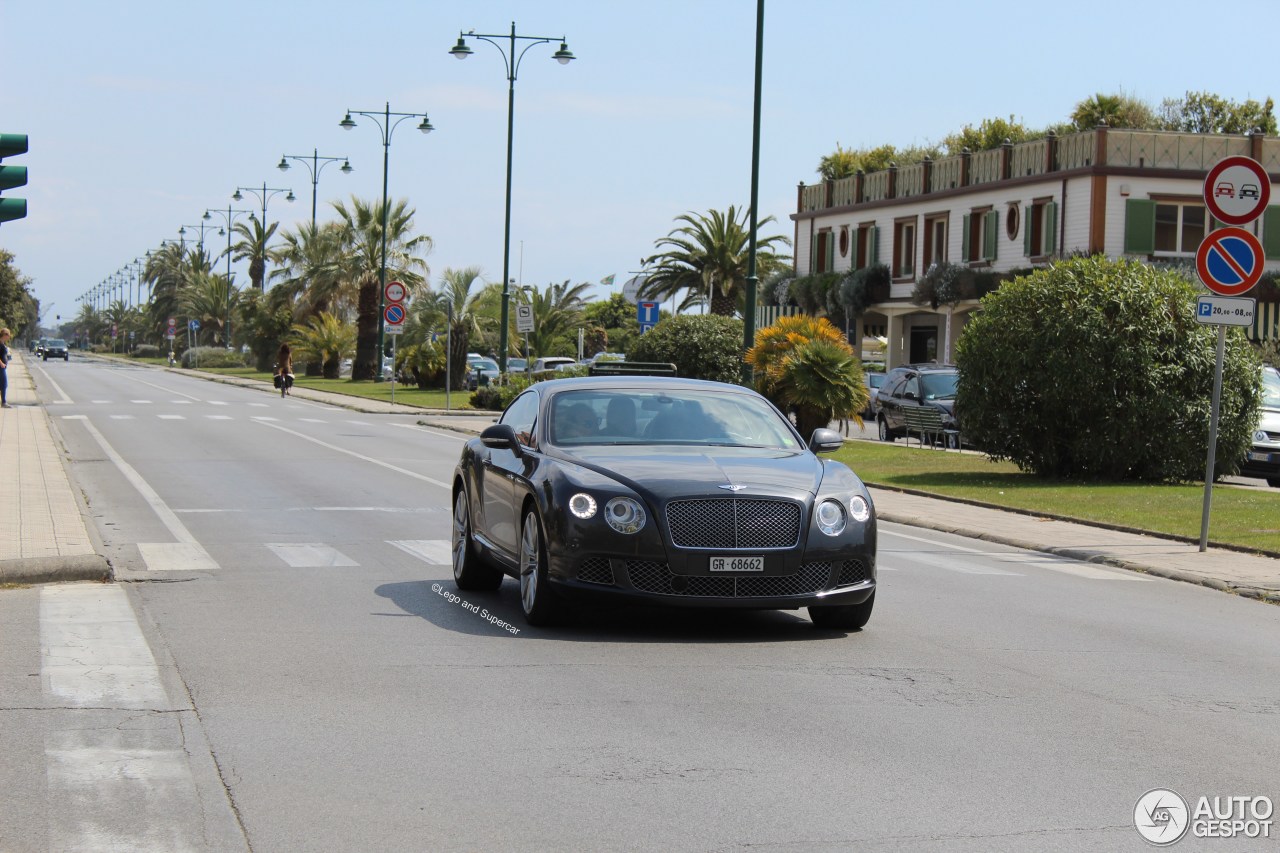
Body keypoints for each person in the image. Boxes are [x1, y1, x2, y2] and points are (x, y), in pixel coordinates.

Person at [0, 328, 11, 408]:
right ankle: (3, 402)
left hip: (3, 366)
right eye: (8, 335)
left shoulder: (2, 343)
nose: (9, 337)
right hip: (1, 367)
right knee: (4, 384)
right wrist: (1, 363)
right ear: (4, 335)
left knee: (3, 384)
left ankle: (3, 401)